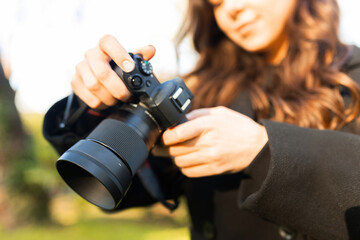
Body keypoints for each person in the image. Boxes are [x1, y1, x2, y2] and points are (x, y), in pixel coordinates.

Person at [43, 0, 360, 239]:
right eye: (217, 3)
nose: (232, 9)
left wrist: (264, 149)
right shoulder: (206, 91)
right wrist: (96, 105)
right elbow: (127, 187)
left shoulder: (351, 78)